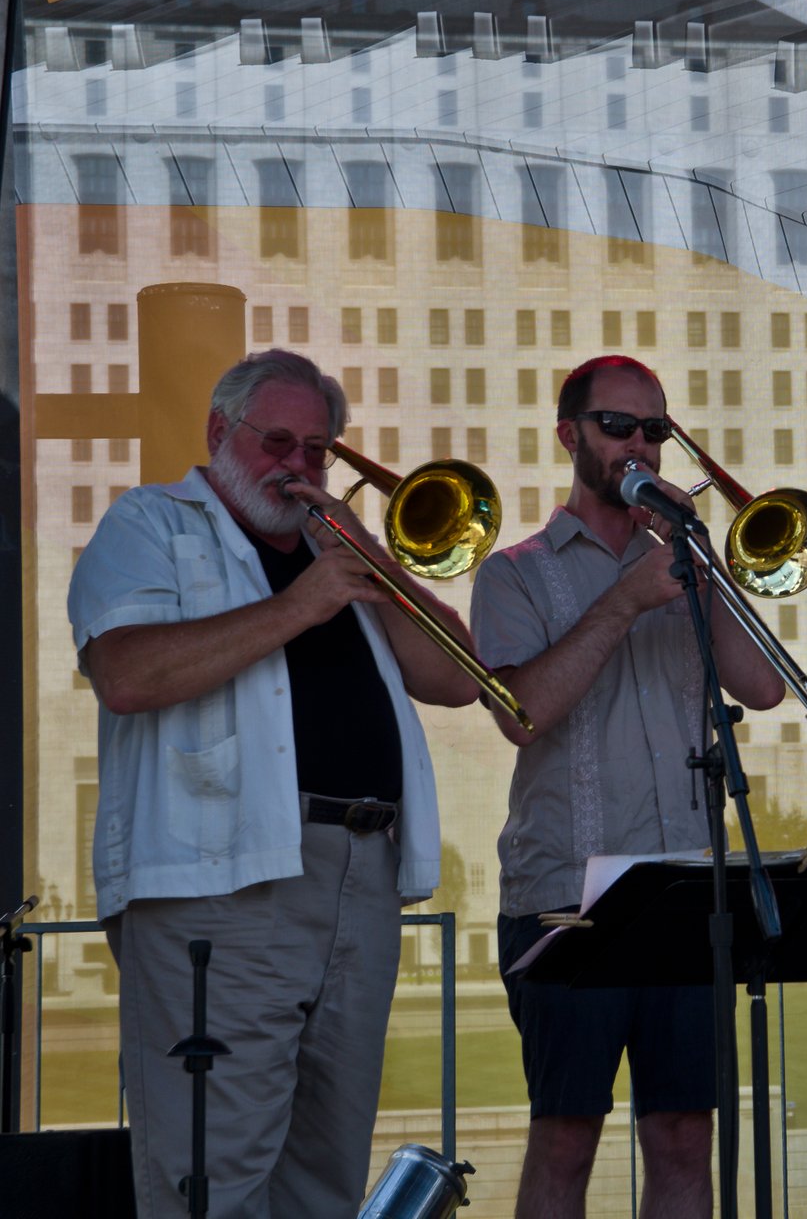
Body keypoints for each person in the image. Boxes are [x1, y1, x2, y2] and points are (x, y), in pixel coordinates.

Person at [67, 348, 478, 1217]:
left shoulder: (341, 557)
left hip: (360, 875)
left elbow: (460, 678)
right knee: (213, 1172)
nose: (299, 466)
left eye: (319, 450)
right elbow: (127, 675)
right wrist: (302, 603)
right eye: (278, 442)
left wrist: (367, 555)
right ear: (220, 432)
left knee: (323, 1169)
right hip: (221, 884)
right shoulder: (152, 523)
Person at [470, 354, 784, 1219]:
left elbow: (761, 687)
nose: (639, 445)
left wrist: (704, 564)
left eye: (655, 429)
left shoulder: (681, 565)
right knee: (566, 1137)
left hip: (686, 892)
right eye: (618, 427)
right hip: (564, 896)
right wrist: (622, 602)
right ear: (570, 435)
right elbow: (520, 713)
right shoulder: (513, 572)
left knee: (684, 1135)